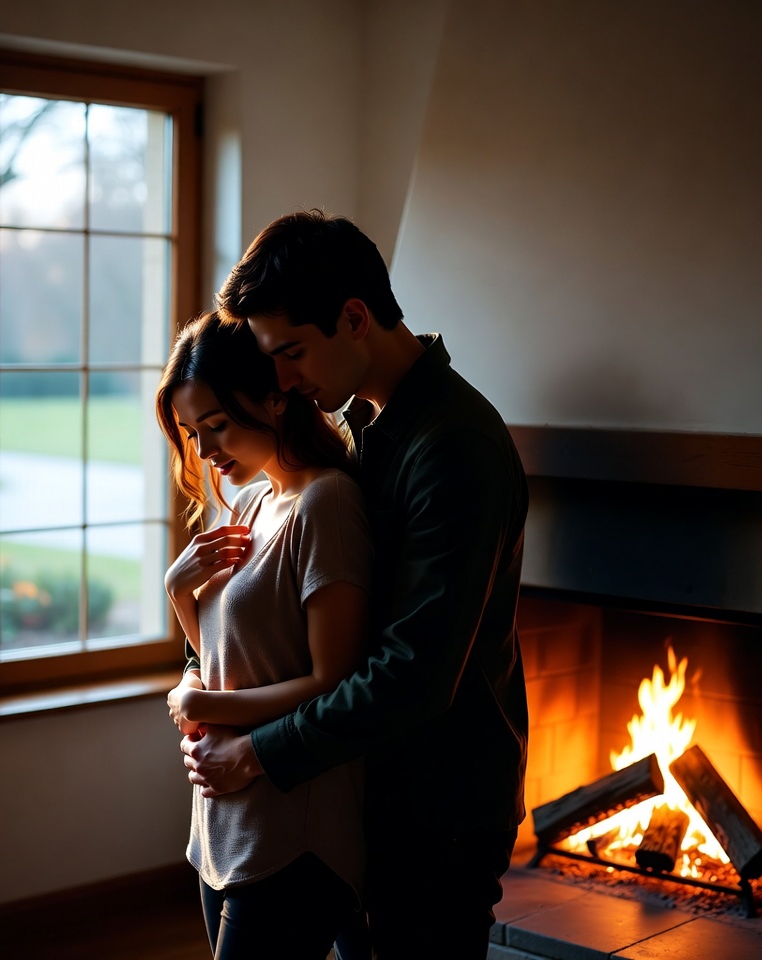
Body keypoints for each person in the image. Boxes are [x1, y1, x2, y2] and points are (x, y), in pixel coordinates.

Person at [181, 211, 530, 960]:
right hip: (366, 790)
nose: (280, 380)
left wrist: (259, 752)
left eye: (292, 352)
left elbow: (413, 673)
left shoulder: (454, 447)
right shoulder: (367, 428)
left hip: (439, 811)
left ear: (354, 318)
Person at [156, 311, 373, 960]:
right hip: (223, 820)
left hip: (293, 828)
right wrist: (178, 591)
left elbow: (332, 679)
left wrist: (203, 706)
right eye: (192, 433)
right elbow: (226, 655)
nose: (203, 450)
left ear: (274, 401)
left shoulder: (326, 504)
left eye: (216, 425)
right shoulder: (251, 501)